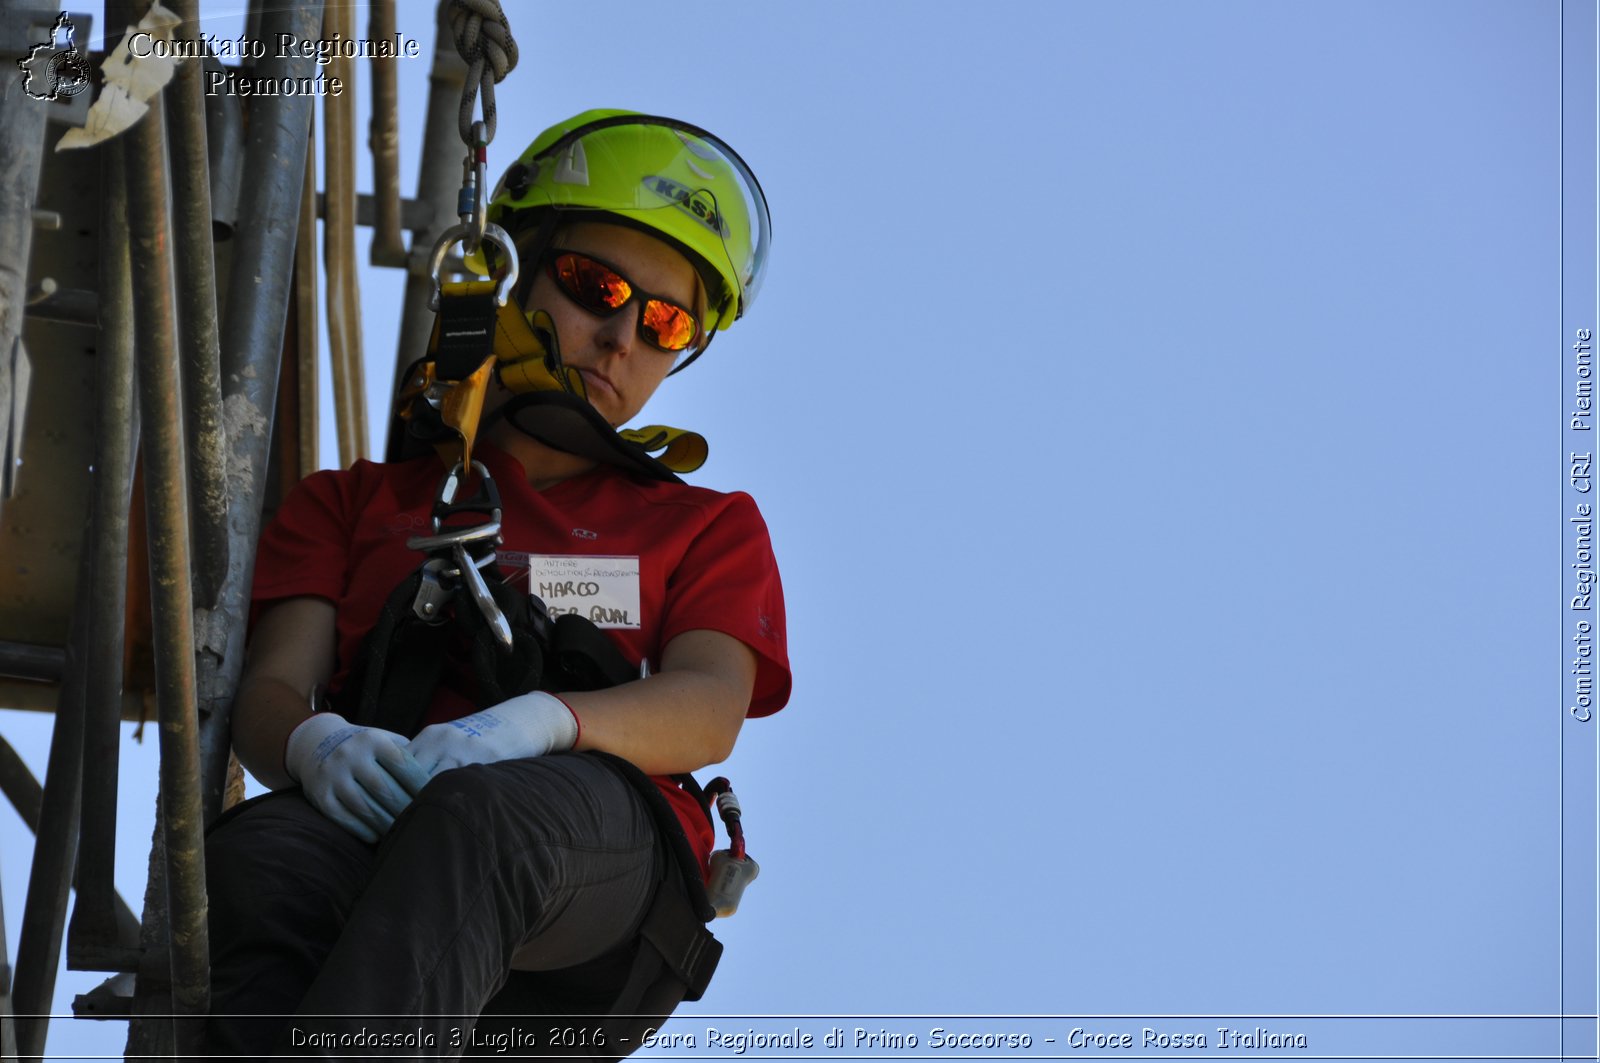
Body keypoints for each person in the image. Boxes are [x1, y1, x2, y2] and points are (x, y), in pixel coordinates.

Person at [204, 109, 789, 1060]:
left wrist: (544, 723)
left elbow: (711, 704)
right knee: (262, 860)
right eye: (595, 285)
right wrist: (317, 745)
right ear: (514, 269)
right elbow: (272, 688)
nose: (620, 336)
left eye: (665, 322)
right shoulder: (357, 502)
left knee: (483, 820)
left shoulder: (704, 524)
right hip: (391, 823)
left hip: (592, 876)